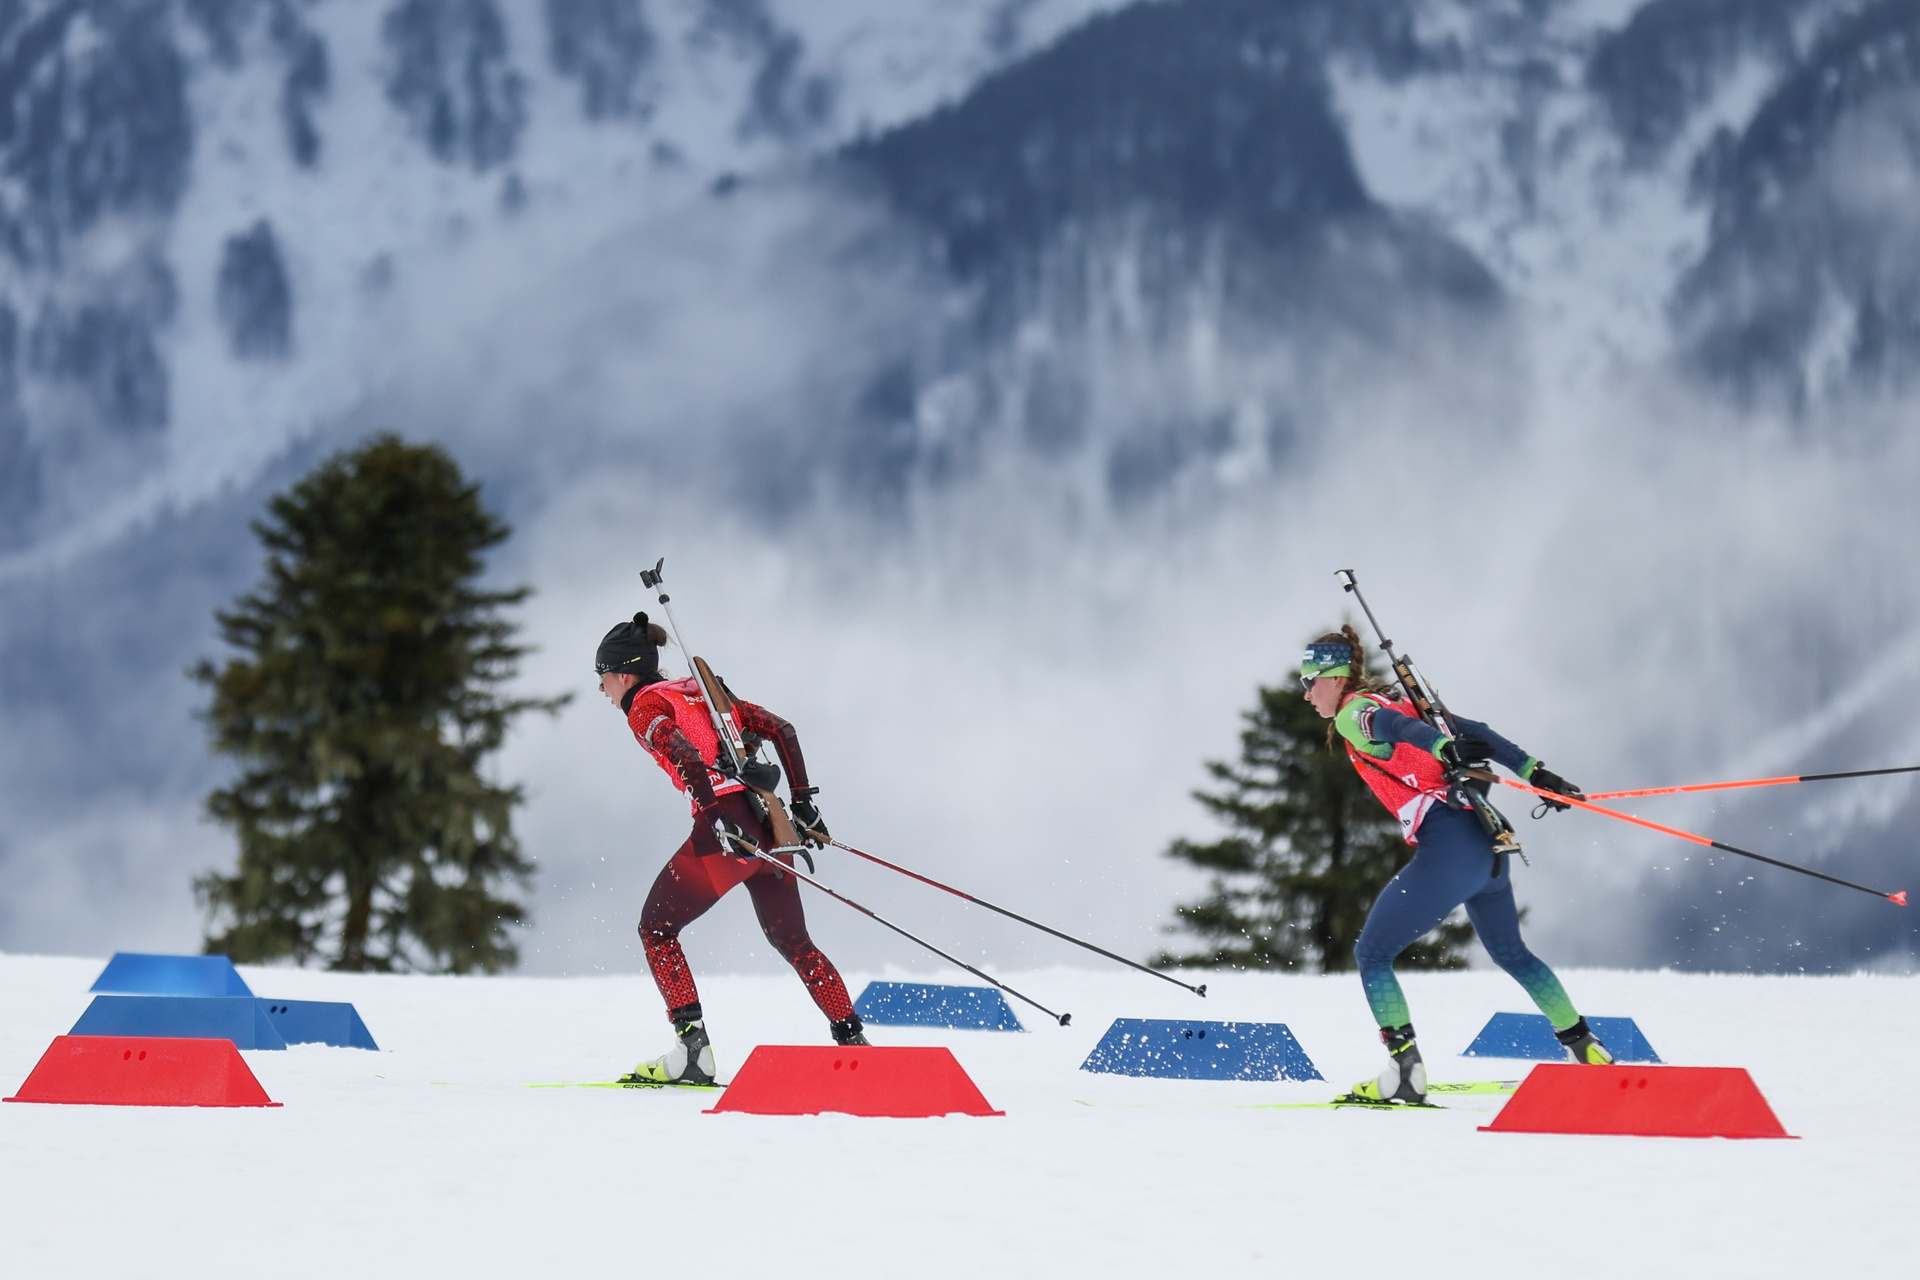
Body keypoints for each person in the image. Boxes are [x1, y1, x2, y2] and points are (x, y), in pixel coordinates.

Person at [1298, 626, 1612, 1106]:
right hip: (1489, 847)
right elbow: (1477, 732)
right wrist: (1535, 772)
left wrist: (1441, 748)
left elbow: (1396, 730)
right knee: (1513, 954)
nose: (1306, 694)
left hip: (1451, 849)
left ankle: (1405, 1072)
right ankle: (1586, 1048)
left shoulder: (1352, 714)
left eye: (1310, 681)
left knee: (1372, 954)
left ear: (1336, 678)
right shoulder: (1401, 703)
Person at [594, 611, 865, 1086]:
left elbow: (684, 752)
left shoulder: (643, 707)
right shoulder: (696, 690)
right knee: (794, 942)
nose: (602, 690)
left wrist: (714, 818)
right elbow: (782, 729)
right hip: (770, 827)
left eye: (603, 678)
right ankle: (855, 1043)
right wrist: (803, 804)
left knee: (656, 930)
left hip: (728, 832)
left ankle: (693, 1053)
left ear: (622, 675)